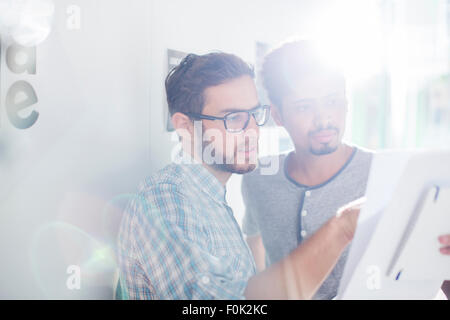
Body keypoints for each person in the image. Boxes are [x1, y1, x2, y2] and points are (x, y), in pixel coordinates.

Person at [117, 52, 363, 299]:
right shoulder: (167, 198)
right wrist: (341, 228)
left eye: (254, 114)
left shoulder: (210, 199)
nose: (253, 131)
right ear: (185, 126)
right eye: (233, 118)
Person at [241, 40, 450, 299]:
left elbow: (434, 274)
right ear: (278, 115)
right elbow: (254, 245)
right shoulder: (258, 178)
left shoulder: (390, 176)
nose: (324, 119)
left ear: (347, 102)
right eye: (304, 107)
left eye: (332, 101)